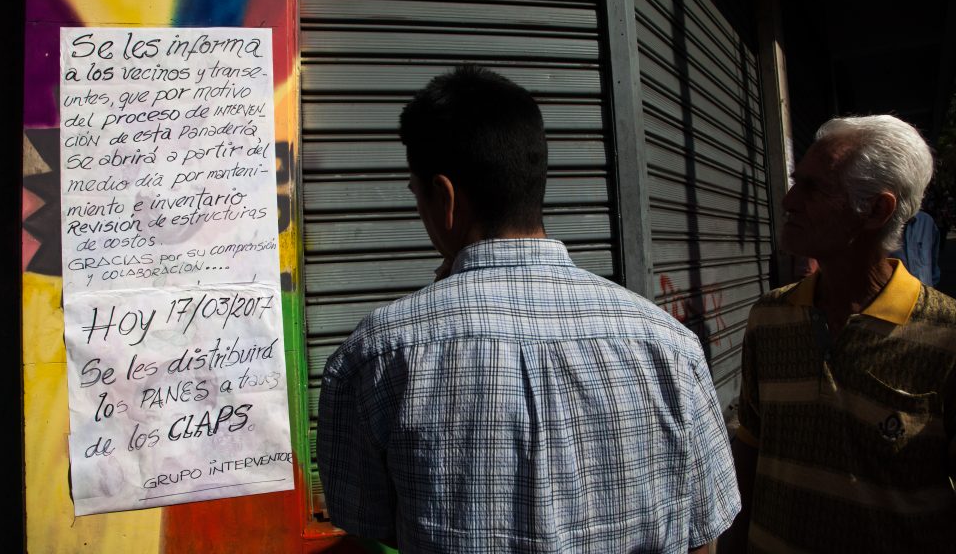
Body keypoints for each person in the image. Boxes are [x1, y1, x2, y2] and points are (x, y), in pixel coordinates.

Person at [317, 65, 740, 553]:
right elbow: (703, 537)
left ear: (445, 197)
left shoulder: (377, 355)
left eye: (418, 195)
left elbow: (371, 524)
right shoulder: (671, 345)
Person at [720, 115, 956, 553]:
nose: (788, 200)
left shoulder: (946, 337)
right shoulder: (770, 318)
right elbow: (752, 446)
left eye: (813, 188)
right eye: (797, 182)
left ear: (877, 210)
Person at [890, 209, 941, 286]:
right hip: (897, 290)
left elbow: (933, 258)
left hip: (924, 288)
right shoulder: (883, 223)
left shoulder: (926, 221)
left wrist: (931, 285)